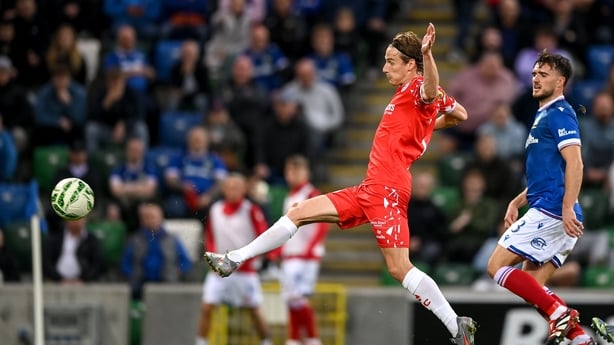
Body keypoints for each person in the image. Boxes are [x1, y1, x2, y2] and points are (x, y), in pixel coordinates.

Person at [205, 23, 478, 345]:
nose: (384, 67)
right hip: (370, 188)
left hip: (388, 188)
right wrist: (424, 129)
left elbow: (431, 91)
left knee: (399, 268)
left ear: (410, 65)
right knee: (298, 212)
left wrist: (429, 57)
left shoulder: (418, 85)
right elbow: (460, 113)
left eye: (391, 62)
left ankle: (455, 325)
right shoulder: (411, 95)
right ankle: (234, 258)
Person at [486, 51, 595, 345]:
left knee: (496, 266)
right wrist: (516, 202)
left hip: (553, 210)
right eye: (534, 73)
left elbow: (576, 164)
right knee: (532, 286)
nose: (535, 79)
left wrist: (567, 207)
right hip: (553, 207)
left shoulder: (560, 113)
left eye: (543, 75)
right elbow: (547, 172)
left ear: (560, 82)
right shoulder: (543, 114)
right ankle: (580, 337)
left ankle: (560, 312)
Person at [197, 173, 274, 345]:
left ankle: (266, 341)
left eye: (237, 187)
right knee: (207, 307)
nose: (232, 191)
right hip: (220, 268)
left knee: (254, 310)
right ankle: (201, 342)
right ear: (224, 189)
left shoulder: (251, 210)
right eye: (229, 187)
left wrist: (261, 259)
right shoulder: (215, 209)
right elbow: (210, 236)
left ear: (244, 190)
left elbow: (263, 235)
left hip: (245, 270)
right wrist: (211, 259)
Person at [279, 155, 328, 345]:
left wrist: (311, 246)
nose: (293, 174)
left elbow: (323, 223)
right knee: (291, 298)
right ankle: (295, 338)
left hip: (305, 255)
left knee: (296, 297)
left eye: (297, 170)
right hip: (291, 253)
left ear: (306, 172)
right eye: (290, 170)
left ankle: (311, 338)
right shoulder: (290, 195)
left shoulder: (311, 193)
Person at [121, 202, 192, 299]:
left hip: (167, 284)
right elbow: (125, 263)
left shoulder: (172, 240)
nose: (150, 220)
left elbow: (185, 262)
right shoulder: (135, 240)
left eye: (153, 217)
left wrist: (176, 273)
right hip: (140, 286)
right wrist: (132, 275)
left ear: (161, 218)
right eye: (147, 217)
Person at [43, 217, 105, 284]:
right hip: (56, 282)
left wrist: (84, 279)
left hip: (84, 283)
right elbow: (47, 261)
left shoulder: (91, 240)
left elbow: (97, 263)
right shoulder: (56, 238)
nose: (76, 221)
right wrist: (59, 279)